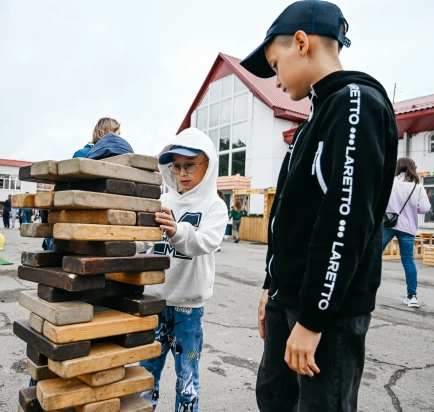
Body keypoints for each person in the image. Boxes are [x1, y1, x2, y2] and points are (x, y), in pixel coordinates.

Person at [240, 1, 398, 410]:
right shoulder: (319, 113)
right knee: (274, 396)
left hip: (326, 310)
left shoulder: (355, 103)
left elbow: (345, 218)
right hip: (288, 296)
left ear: (301, 42)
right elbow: (293, 215)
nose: (275, 81)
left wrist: (313, 319)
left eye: (275, 66)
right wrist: (270, 285)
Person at [139, 127, 228, 411]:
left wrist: (178, 231)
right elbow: (144, 242)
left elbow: (207, 242)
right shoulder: (163, 201)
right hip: (154, 302)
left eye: (190, 164)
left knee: (186, 379)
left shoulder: (216, 206)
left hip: (189, 308)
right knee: (144, 374)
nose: (183, 172)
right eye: (176, 166)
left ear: (208, 164)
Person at [381, 158, 431, 308]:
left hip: (387, 225)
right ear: (412, 168)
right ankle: (412, 296)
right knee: (408, 261)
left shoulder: (389, 182)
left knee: (373, 256)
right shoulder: (418, 186)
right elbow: (424, 209)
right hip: (408, 227)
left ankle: (362, 290)